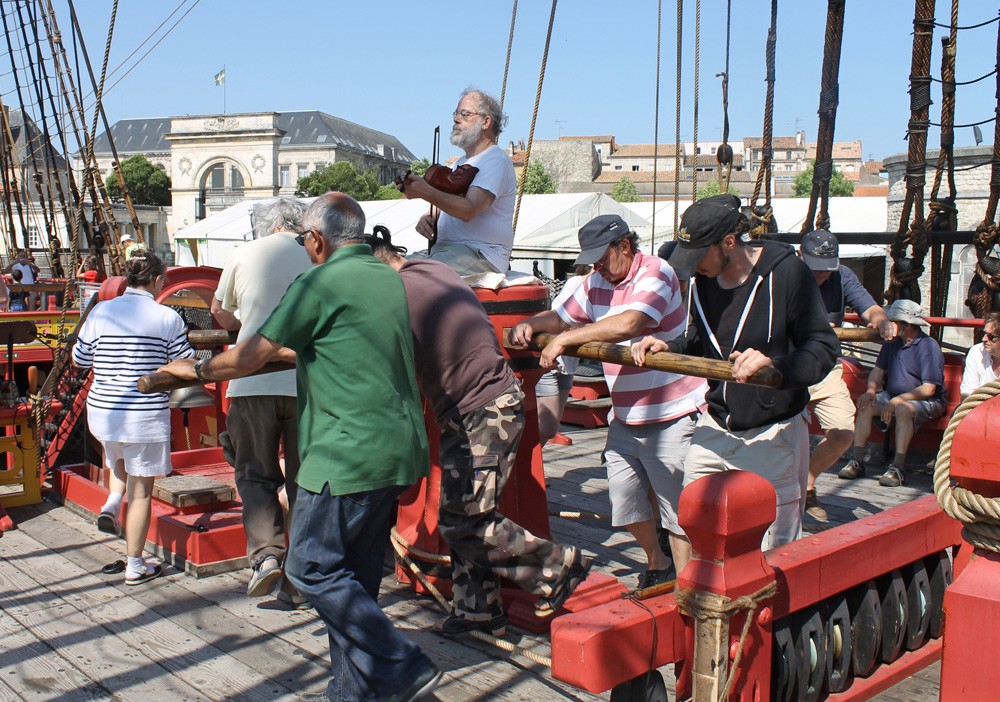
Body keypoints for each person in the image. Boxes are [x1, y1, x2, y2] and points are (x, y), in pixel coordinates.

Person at [158, 192, 441, 702]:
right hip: (399, 448)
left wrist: (195, 370)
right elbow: (334, 341)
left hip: (346, 453)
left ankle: (401, 662)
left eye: (306, 242)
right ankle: (351, 692)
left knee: (309, 567)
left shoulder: (321, 280)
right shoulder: (387, 277)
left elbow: (250, 354)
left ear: (316, 239)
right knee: (353, 581)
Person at [367, 231, 592, 636]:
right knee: (465, 512)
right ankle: (477, 611)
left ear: (373, 267)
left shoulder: (395, 292)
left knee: (463, 520)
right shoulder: (431, 268)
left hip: (484, 411)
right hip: (474, 407)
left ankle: (557, 567)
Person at [633, 194, 838, 569]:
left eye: (698, 256)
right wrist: (670, 344)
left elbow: (823, 347)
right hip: (715, 426)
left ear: (729, 242)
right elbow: (702, 340)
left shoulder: (787, 273)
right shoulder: (703, 282)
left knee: (775, 549)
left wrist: (776, 367)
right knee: (695, 525)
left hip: (772, 433)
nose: (692, 268)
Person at [510, 214, 707, 589]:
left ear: (625, 247)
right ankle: (659, 562)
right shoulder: (598, 280)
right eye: (593, 258)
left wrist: (566, 339)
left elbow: (629, 323)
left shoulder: (657, 271)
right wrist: (534, 324)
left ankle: (686, 591)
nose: (598, 265)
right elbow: (564, 316)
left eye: (603, 256)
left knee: (675, 510)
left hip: (671, 410)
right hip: (627, 412)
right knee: (625, 501)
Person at [210, 197, 311, 606]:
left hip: (251, 382)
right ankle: (303, 574)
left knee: (254, 473)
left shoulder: (243, 252)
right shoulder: (315, 255)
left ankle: (267, 558)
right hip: (307, 382)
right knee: (305, 479)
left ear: (268, 225)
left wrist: (245, 321)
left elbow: (221, 313)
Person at [72, 252, 195, 585]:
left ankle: (111, 503)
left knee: (118, 460)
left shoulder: (101, 311)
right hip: (143, 416)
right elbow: (185, 363)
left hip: (104, 413)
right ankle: (135, 564)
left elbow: (80, 358)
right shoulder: (167, 317)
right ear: (156, 281)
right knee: (141, 493)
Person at [798, 229, 896, 521]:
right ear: (801, 257)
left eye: (826, 270)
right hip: (788, 367)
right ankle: (783, 497)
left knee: (843, 434)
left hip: (825, 368)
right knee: (783, 438)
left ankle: (807, 483)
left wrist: (882, 322)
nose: (821, 276)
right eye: (815, 269)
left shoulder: (842, 276)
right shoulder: (786, 275)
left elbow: (870, 309)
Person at [398, 88, 516, 276]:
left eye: (465, 114)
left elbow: (468, 210)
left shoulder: (495, 160)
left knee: (410, 274)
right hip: (451, 251)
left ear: (486, 122)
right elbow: (449, 202)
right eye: (456, 113)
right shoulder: (460, 163)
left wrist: (425, 192)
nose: (456, 119)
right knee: (391, 264)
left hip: (479, 254)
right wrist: (429, 217)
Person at [839, 299, 946, 487]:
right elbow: (878, 371)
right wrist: (871, 391)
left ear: (905, 325)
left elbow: (929, 388)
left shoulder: (928, 346)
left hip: (929, 401)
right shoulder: (891, 344)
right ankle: (857, 460)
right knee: (867, 404)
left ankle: (898, 467)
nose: (890, 325)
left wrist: (897, 401)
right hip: (894, 396)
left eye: (894, 321)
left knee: (904, 409)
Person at [536, 266, 591, 447]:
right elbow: (560, 317)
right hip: (552, 361)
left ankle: (532, 467)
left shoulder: (603, 291)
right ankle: (525, 468)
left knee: (549, 427)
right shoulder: (577, 283)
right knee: (546, 426)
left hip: (568, 364)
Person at [960, 312, 1000, 399]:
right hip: (979, 409)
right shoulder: (976, 352)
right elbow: (967, 393)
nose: (984, 339)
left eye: (991, 337)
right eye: (984, 334)